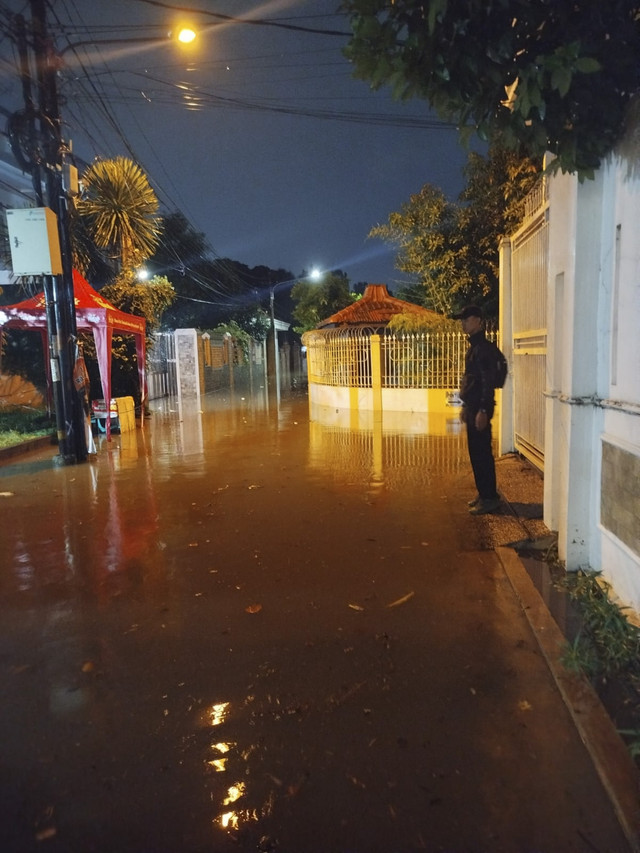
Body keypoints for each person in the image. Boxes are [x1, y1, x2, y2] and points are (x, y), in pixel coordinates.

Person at [454, 305, 501, 515]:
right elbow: (470, 381)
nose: (463, 323)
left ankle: (490, 497)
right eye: (462, 319)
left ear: (478, 321)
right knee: (476, 453)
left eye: (467, 319)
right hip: (474, 407)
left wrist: (482, 409)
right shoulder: (474, 348)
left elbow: (487, 382)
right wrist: (466, 406)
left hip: (481, 409)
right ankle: (484, 494)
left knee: (482, 454)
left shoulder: (482, 349)